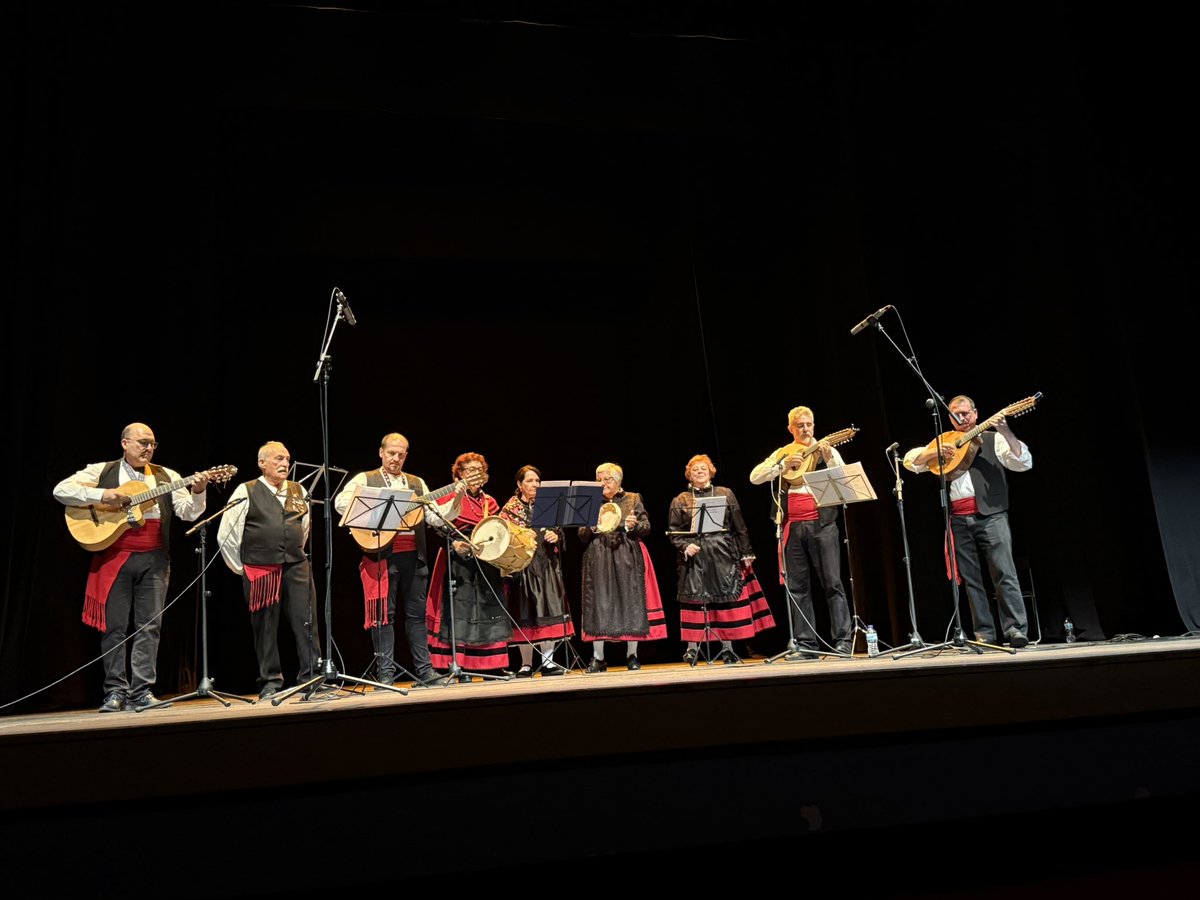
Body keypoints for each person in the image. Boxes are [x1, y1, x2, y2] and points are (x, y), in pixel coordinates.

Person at [53, 422, 210, 712]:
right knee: (114, 627)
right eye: (142, 442)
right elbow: (60, 490)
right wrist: (102, 496)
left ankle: (142, 691)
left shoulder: (167, 476)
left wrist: (198, 491)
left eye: (152, 444)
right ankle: (115, 691)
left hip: (155, 558)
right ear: (125, 443)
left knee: (150, 625)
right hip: (115, 558)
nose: (148, 448)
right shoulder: (102, 470)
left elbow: (188, 513)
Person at [902, 394, 1034, 647]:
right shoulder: (945, 440)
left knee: (1004, 573)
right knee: (971, 580)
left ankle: (1015, 629)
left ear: (975, 414)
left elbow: (1023, 462)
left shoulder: (993, 439)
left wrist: (1006, 431)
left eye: (965, 413)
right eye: (956, 414)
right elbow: (910, 461)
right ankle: (984, 633)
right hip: (958, 518)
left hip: (992, 515)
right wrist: (932, 452)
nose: (961, 418)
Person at [217, 441, 320, 701]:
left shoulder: (299, 490)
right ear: (262, 463)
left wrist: (292, 550)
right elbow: (227, 534)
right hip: (260, 569)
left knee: (307, 623)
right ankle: (270, 682)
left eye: (287, 459)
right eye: (278, 459)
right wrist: (241, 568)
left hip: (296, 566)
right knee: (265, 629)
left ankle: (312, 678)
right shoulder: (246, 490)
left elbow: (304, 528)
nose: (285, 464)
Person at [334, 433, 437, 688]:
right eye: (391, 453)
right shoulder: (366, 478)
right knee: (383, 617)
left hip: (414, 557)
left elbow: (435, 517)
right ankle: (385, 674)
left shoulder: (417, 482)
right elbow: (341, 503)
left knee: (417, 616)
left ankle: (425, 671)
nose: (396, 458)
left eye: (401, 454)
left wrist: (455, 497)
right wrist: (378, 507)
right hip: (382, 556)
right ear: (381, 452)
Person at [749, 406, 852, 657]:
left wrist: (829, 458)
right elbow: (755, 477)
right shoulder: (784, 453)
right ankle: (806, 644)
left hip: (822, 524)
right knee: (797, 587)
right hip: (792, 526)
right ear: (791, 429)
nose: (805, 429)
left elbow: (843, 477)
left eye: (809, 424)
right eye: (800, 425)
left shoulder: (826, 449)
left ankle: (843, 641)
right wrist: (782, 466)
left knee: (833, 583)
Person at [668, 454, 775, 665]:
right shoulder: (680, 500)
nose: (700, 471)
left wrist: (746, 551)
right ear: (689, 474)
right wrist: (684, 546)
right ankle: (692, 649)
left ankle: (728, 648)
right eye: (695, 469)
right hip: (695, 556)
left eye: (704, 468)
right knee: (695, 600)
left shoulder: (725, 493)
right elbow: (674, 532)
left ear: (711, 472)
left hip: (722, 553)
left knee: (724, 599)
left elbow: (739, 525)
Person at [423, 452, 512, 681]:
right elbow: (432, 529)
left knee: (488, 609)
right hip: (456, 559)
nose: (475, 474)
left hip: (485, 561)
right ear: (459, 475)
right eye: (470, 470)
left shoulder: (490, 501)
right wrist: (453, 544)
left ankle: (491, 666)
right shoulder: (449, 498)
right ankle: (458, 665)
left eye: (479, 470)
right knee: (460, 612)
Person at [577, 462, 667, 671]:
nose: (602, 483)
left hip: (626, 554)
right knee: (598, 603)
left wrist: (634, 525)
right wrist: (591, 526)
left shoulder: (633, 498)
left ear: (618, 481)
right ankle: (598, 657)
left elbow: (646, 527)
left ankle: (632, 655)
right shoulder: (591, 501)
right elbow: (582, 534)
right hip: (599, 555)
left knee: (630, 600)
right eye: (599, 479)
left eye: (607, 479)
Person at [499, 465, 571, 677]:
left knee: (547, 610)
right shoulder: (510, 509)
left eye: (537, 481)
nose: (535, 484)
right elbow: (501, 535)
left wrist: (556, 536)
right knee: (525, 612)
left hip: (546, 565)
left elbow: (560, 532)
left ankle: (548, 662)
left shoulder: (548, 505)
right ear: (519, 484)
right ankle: (526, 664)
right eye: (529, 481)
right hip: (522, 567)